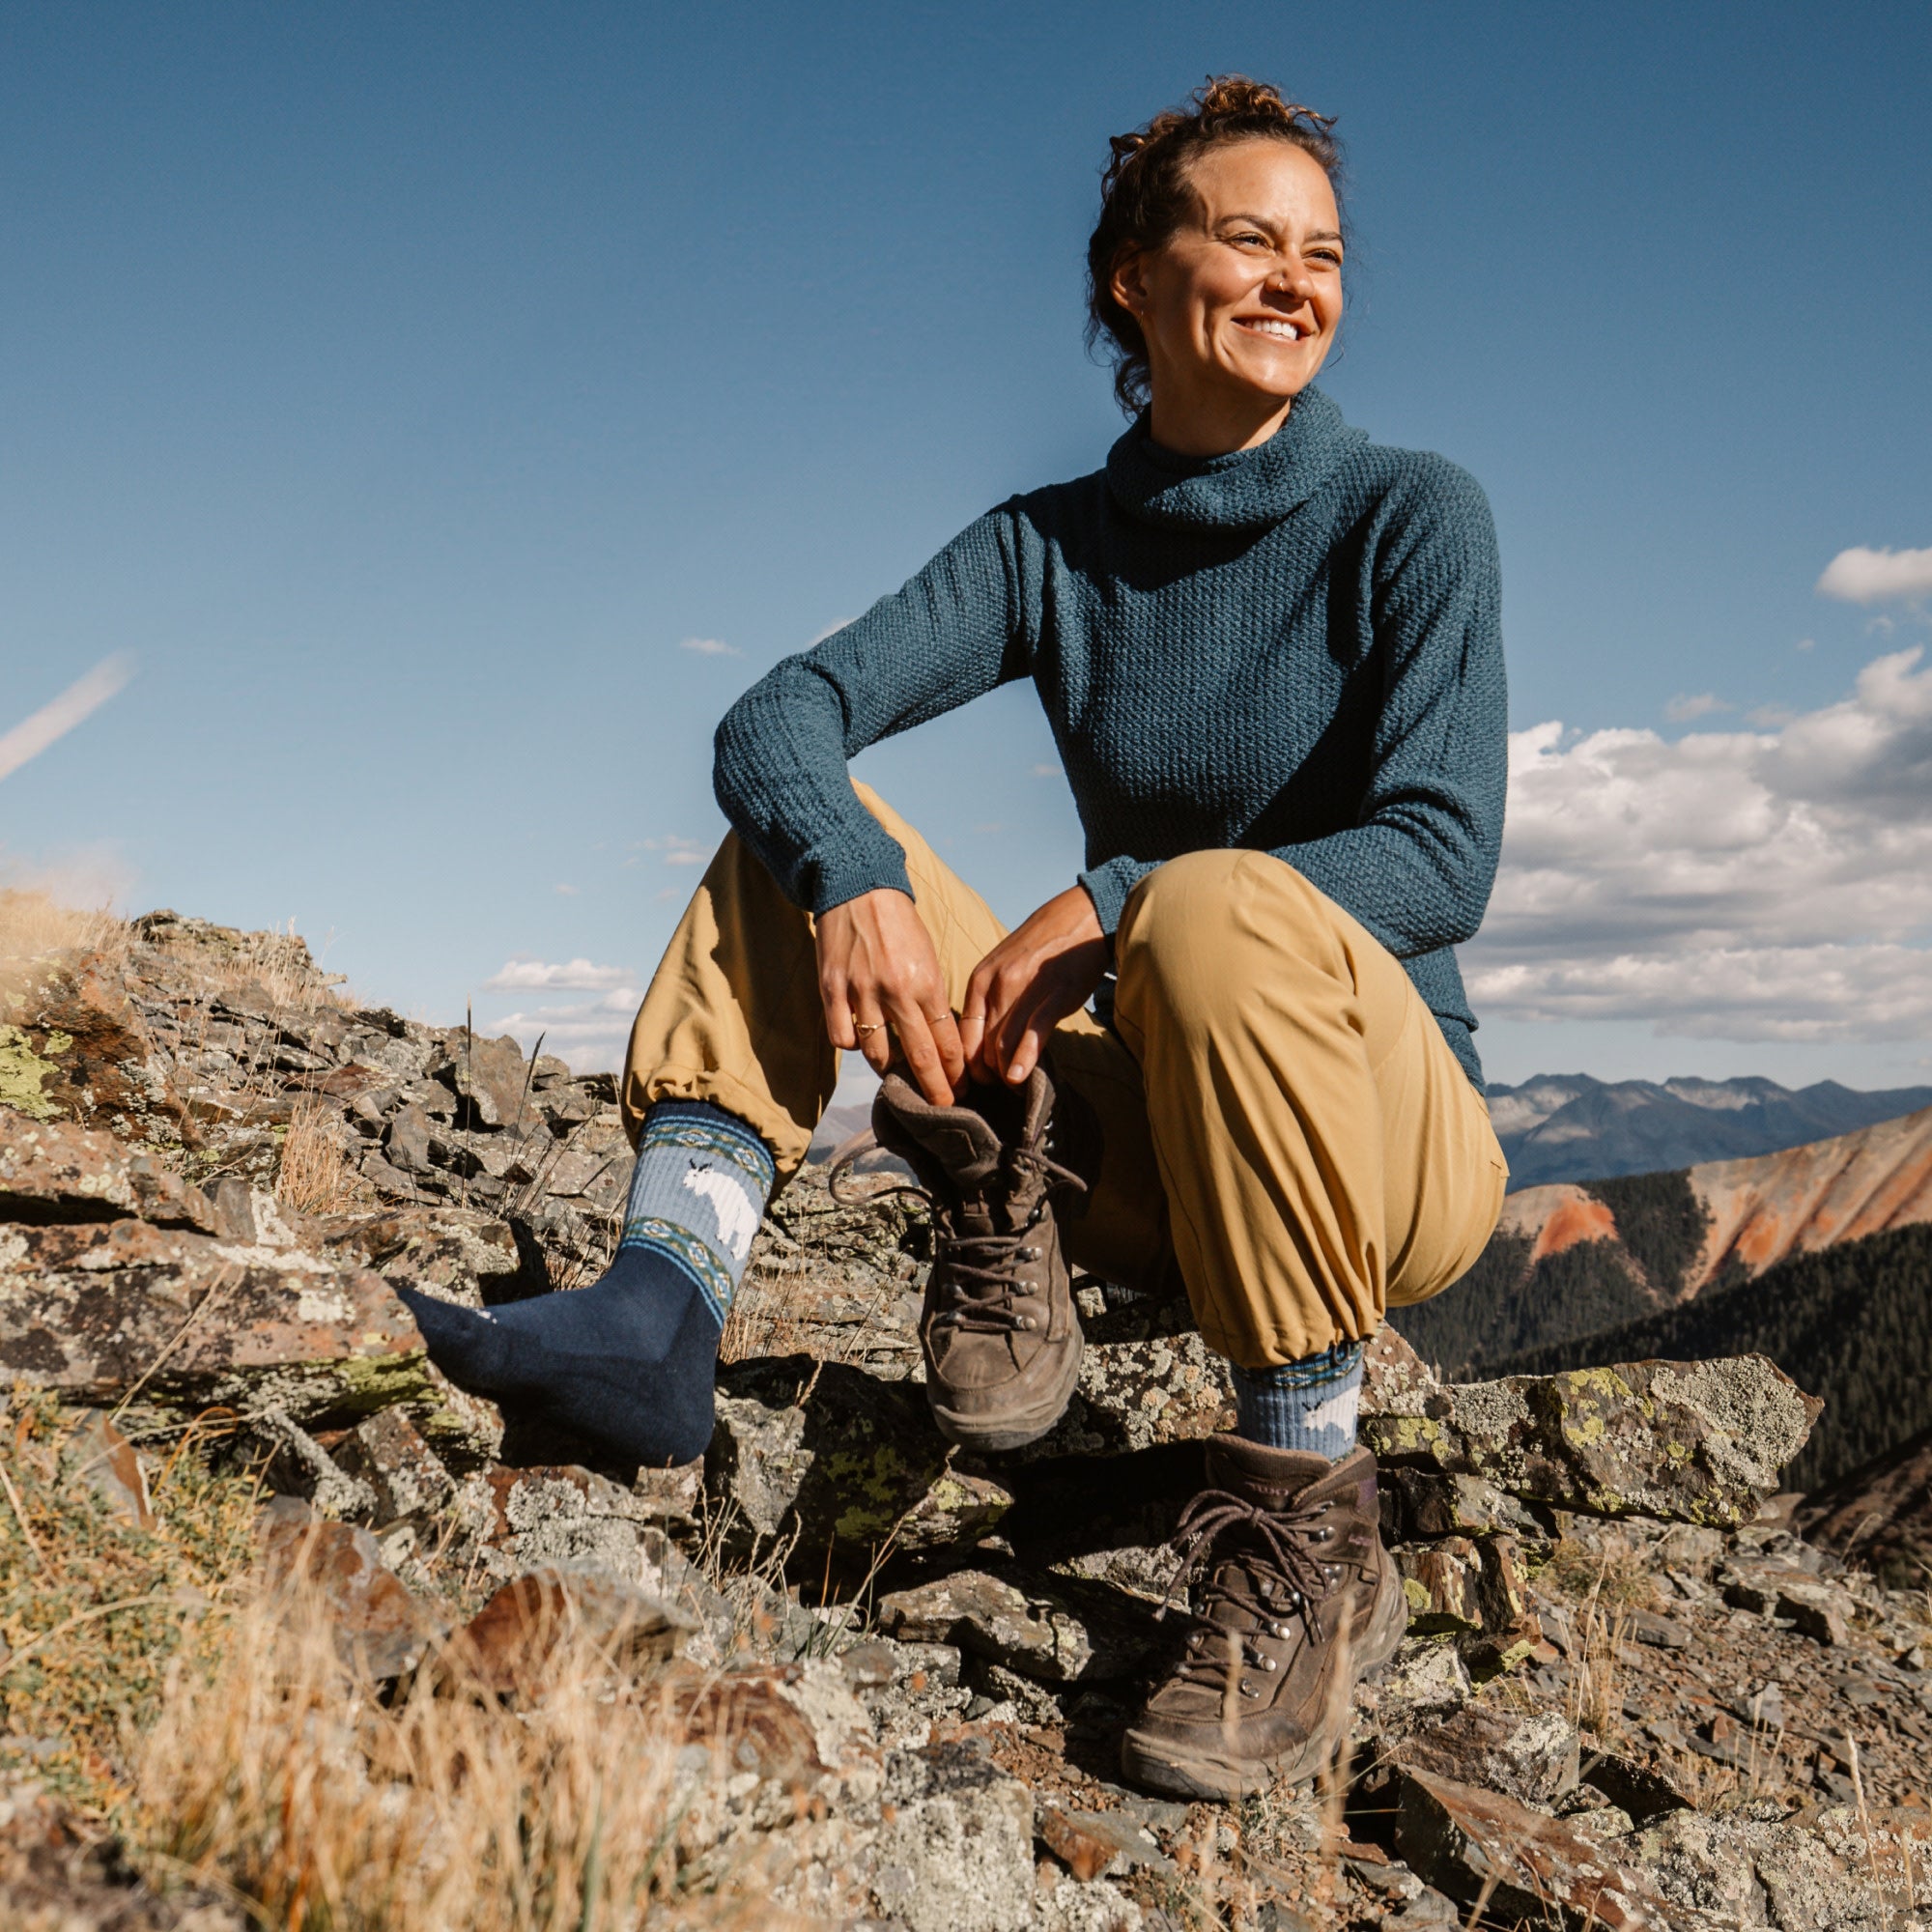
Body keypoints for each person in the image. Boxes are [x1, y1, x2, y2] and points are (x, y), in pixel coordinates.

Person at [404, 75, 1510, 1800]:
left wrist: (1122, 899)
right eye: (1248, 238)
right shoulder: (1049, 549)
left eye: (1327, 252)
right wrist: (849, 867)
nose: (1298, 279)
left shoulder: (1411, 516)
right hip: (1162, 1146)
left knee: (1209, 899)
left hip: (1386, 1153)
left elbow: (1441, 859)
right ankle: (661, 1305)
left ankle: (1307, 1519)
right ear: (1134, 281)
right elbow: (783, 713)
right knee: (808, 826)